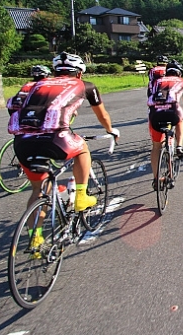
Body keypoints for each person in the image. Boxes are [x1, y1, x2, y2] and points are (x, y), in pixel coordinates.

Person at [8, 52, 119, 246]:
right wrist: (111, 130)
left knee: (39, 190)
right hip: (56, 139)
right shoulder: (85, 86)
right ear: (79, 74)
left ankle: (35, 239)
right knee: (83, 148)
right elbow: (102, 115)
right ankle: (82, 197)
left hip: (22, 142)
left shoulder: (32, 85)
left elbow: (13, 106)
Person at [147, 61, 183, 190]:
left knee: (156, 147)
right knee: (180, 121)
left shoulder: (157, 81)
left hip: (155, 113)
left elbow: (150, 95)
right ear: (179, 73)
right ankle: (179, 146)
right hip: (173, 111)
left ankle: (156, 179)